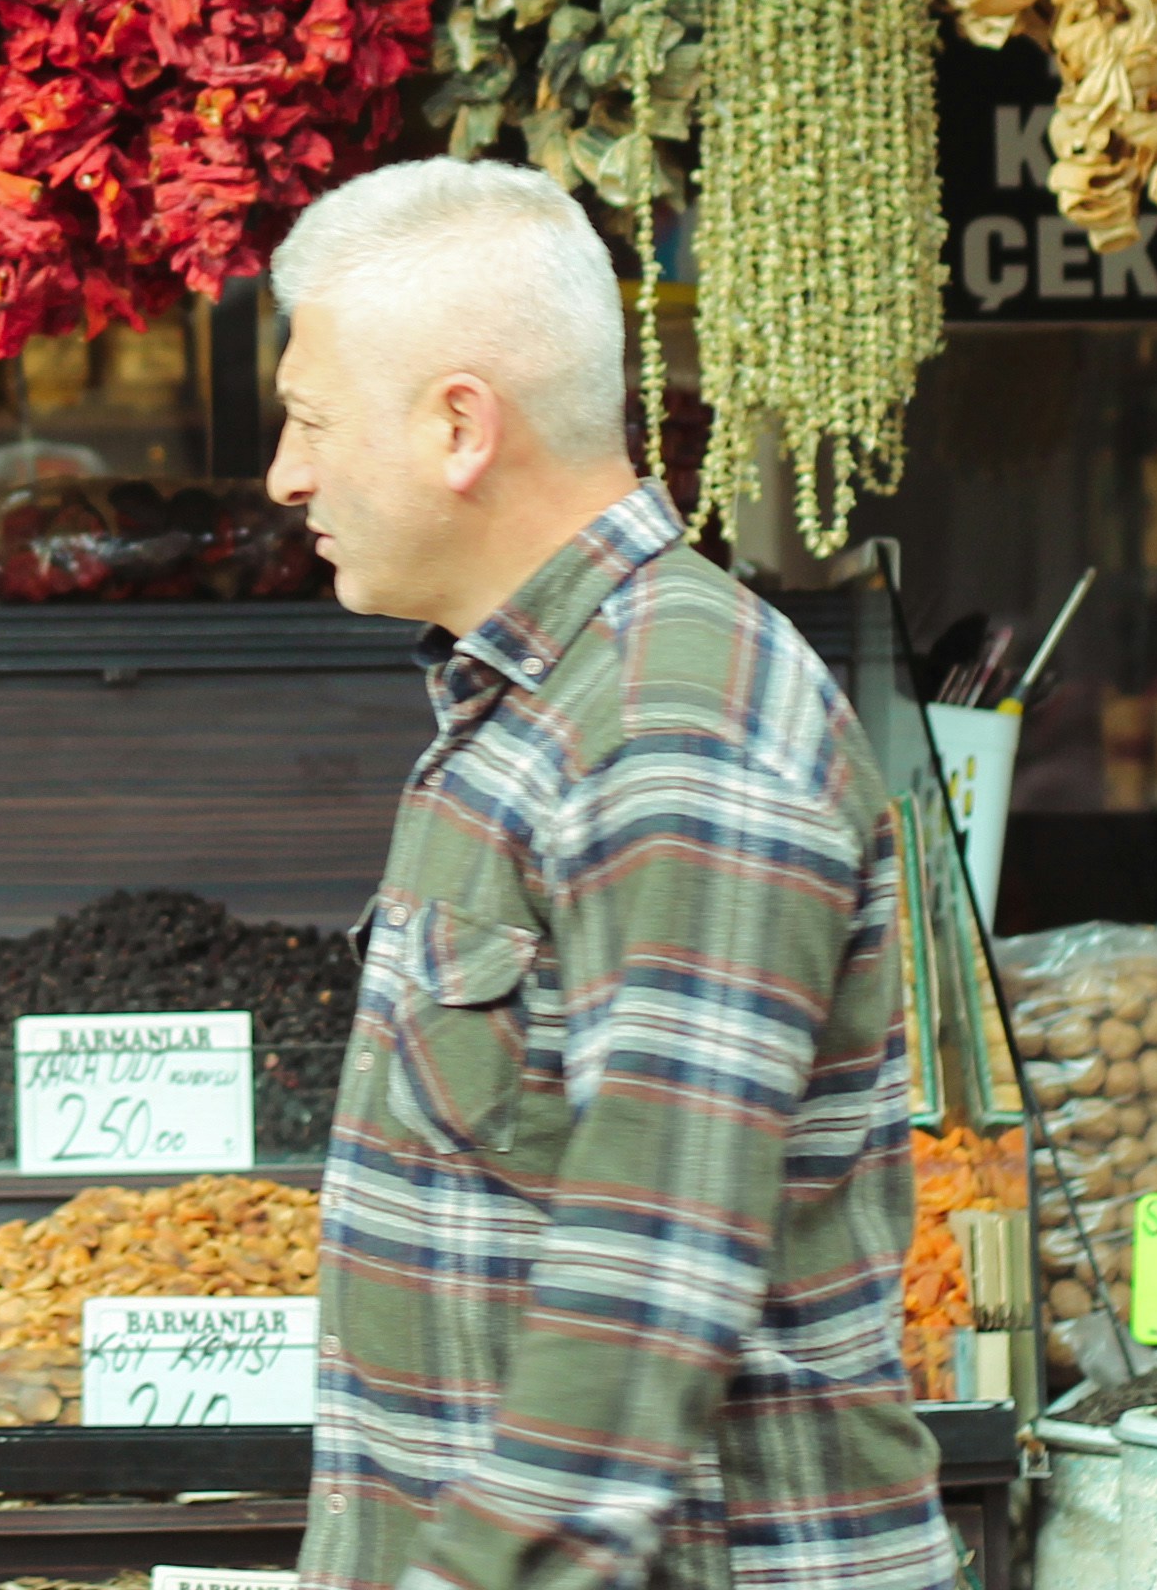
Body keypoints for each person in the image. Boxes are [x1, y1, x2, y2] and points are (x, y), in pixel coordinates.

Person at [267, 157, 949, 1590]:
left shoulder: (671, 729)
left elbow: (652, 1273)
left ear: (462, 427)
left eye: (311, 420)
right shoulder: (540, 704)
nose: (287, 474)